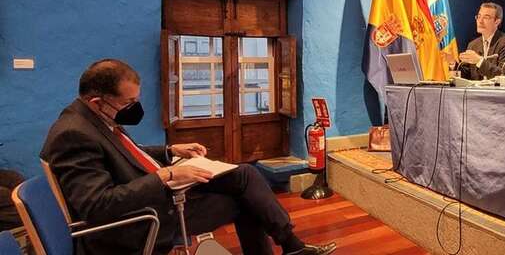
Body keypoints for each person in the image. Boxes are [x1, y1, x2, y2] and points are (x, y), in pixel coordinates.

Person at [40, 59, 336, 255]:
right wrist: (166, 176)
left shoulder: (93, 118)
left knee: (243, 174)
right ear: (97, 101)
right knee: (246, 202)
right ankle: (292, 246)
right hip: (138, 221)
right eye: (128, 102)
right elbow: (97, 206)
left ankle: (292, 244)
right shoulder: (73, 135)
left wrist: (171, 152)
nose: (132, 108)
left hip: (153, 193)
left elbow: (125, 154)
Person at [457, 2, 505, 80]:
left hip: (497, 91)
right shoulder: (473, 45)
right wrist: (453, 64)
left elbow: (503, 75)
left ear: (497, 22)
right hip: (476, 91)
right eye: (479, 17)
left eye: (486, 17)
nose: (480, 21)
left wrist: (479, 61)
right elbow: (466, 75)